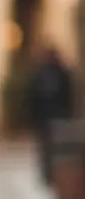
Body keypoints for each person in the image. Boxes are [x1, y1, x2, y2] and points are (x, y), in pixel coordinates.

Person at [27, 46, 74, 184]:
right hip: (44, 118)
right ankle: (47, 174)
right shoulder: (40, 74)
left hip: (59, 117)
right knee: (45, 148)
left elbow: (68, 95)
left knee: (58, 149)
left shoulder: (63, 73)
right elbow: (33, 98)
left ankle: (57, 174)